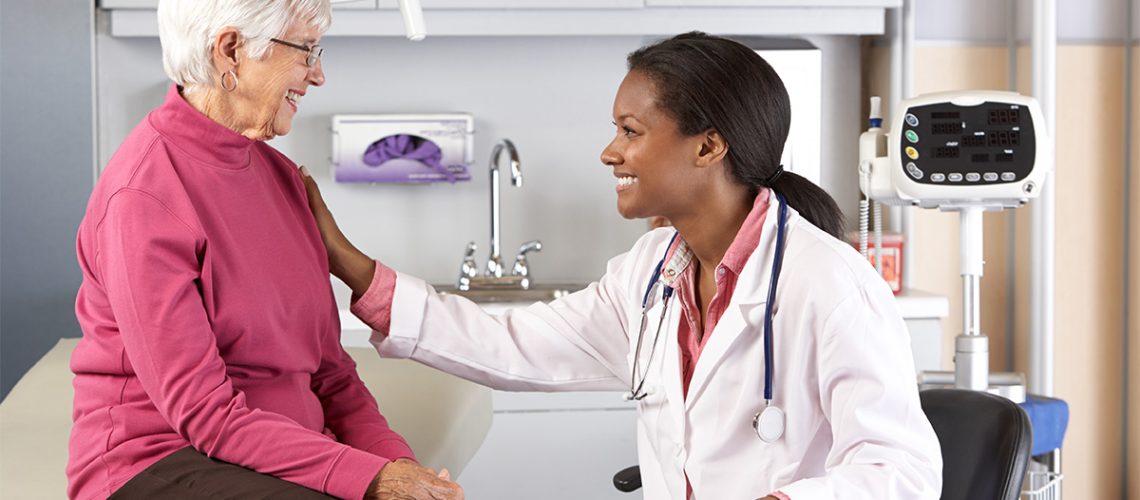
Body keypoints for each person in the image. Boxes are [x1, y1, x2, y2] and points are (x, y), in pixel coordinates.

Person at [303, 32, 942, 499]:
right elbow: (513, 345)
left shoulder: (826, 281)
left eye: (631, 130)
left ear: (709, 146)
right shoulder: (651, 271)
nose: (610, 152)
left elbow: (901, 473)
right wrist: (353, 267)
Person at [68, 1, 463, 499]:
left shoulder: (281, 179)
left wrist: (398, 463)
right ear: (231, 50)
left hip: (278, 453)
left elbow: (331, 373)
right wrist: (372, 478)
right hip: (160, 463)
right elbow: (206, 417)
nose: (317, 75)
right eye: (305, 51)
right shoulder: (143, 196)